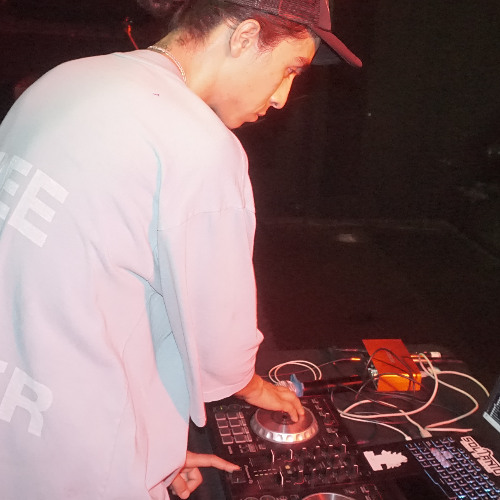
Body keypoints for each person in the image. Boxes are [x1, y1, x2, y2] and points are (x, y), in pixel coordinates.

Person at [0, 0, 361, 498]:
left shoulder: (64, 81)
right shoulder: (198, 145)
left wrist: (155, 447)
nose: (282, 98)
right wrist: (257, 388)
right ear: (243, 37)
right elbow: (219, 347)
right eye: (289, 70)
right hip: (75, 458)